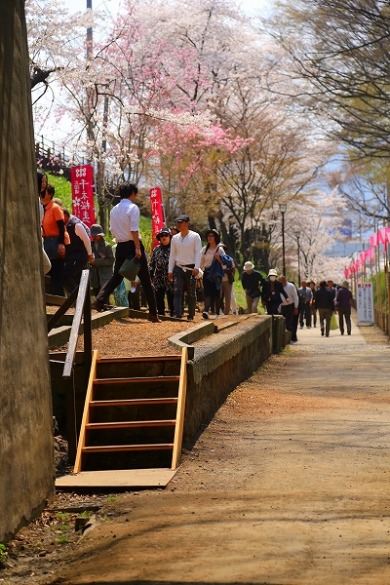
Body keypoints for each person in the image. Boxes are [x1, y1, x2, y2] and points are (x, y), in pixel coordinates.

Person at [92, 183, 160, 322]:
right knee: (146, 280)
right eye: (135, 194)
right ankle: (153, 313)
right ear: (132, 194)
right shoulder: (132, 208)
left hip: (120, 246)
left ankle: (99, 300)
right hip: (133, 245)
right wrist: (136, 248)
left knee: (116, 276)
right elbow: (134, 229)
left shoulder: (114, 210)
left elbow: (112, 229)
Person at [168, 214, 202, 321]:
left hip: (191, 268)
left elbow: (198, 253)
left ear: (187, 223)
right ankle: (177, 313)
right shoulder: (175, 238)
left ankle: (191, 314)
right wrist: (170, 270)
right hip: (178, 267)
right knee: (177, 290)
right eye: (177, 223)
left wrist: (197, 267)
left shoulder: (195, 236)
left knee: (191, 292)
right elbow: (172, 255)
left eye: (181, 222)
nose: (178, 225)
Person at [40, 182, 68, 296]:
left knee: (57, 269)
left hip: (56, 240)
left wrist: (61, 243)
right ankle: (54, 296)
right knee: (50, 270)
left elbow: (61, 227)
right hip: (47, 241)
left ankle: (59, 297)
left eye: (44, 191)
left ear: (50, 194)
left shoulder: (55, 208)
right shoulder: (43, 207)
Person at [63, 209, 94, 294]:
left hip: (79, 255)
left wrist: (90, 254)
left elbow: (86, 239)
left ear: (65, 216)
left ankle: (77, 297)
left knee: (66, 274)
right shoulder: (65, 225)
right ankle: (80, 301)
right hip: (71, 256)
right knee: (76, 278)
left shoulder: (76, 225)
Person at [200, 229, 225, 319]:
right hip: (207, 272)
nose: (210, 238)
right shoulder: (204, 249)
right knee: (207, 292)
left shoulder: (220, 249)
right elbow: (201, 261)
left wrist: (218, 258)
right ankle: (206, 310)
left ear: (216, 238)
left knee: (217, 293)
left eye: (212, 236)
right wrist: (200, 270)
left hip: (216, 274)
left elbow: (224, 262)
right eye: (208, 236)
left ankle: (217, 312)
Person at [149, 227, 174, 317]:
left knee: (171, 297)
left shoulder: (174, 249)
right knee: (159, 297)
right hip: (159, 278)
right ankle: (161, 314)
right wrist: (151, 275)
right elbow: (152, 263)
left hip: (171, 277)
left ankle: (173, 315)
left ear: (170, 237)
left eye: (166, 235)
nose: (164, 237)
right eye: (162, 235)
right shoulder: (156, 249)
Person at [90, 224, 114, 296]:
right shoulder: (90, 245)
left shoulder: (107, 246)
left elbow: (111, 261)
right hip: (94, 277)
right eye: (93, 235)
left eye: (96, 235)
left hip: (104, 277)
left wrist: (96, 261)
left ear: (100, 235)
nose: (94, 237)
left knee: (104, 297)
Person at [279, 275, 299, 342]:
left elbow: (295, 297)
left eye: (282, 282)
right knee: (282, 323)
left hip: (290, 306)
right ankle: (284, 338)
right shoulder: (278, 287)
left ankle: (290, 338)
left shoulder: (291, 286)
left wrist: (296, 307)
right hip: (282, 306)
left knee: (289, 323)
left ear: (285, 281)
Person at [220, 244, 236, 315]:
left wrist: (226, 271)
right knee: (218, 296)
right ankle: (219, 311)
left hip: (228, 280)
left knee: (229, 297)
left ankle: (230, 311)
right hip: (219, 280)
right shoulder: (216, 258)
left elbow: (233, 269)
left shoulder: (229, 259)